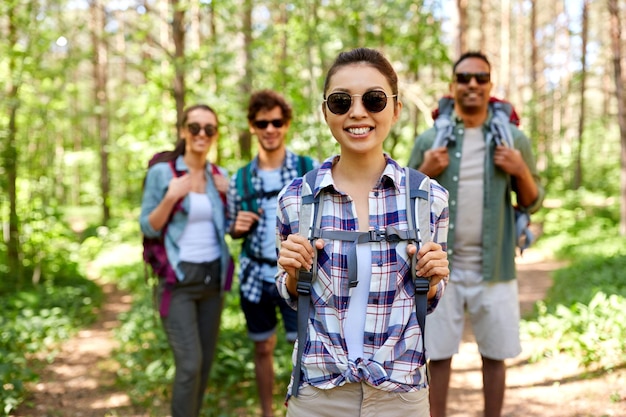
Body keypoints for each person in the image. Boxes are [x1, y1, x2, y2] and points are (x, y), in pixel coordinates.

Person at [275, 47, 450, 417]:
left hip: (400, 395)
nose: (357, 112)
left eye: (374, 99)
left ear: (396, 109)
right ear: (325, 111)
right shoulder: (297, 198)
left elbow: (429, 299)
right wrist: (292, 275)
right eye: (341, 101)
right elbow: (292, 294)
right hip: (318, 395)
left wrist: (433, 279)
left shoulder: (428, 197)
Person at [407, 51, 545, 417]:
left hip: (495, 267)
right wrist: (425, 168)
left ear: (489, 86)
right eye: (464, 78)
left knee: (494, 354)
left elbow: (531, 203)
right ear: (453, 87)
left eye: (480, 78)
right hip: (437, 268)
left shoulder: (512, 139)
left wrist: (520, 170)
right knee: (437, 356)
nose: (472, 84)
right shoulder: (430, 141)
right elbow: (400, 203)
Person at [227, 89, 317, 417]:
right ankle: (267, 411)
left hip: (298, 274)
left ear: (286, 124)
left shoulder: (309, 170)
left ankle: (302, 408)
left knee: (305, 346)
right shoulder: (240, 179)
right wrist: (236, 227)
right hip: (255, 275)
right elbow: (231, 225)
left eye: (276, 122)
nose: (270, 129)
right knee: (262, 347)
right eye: (262, 122)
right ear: (252, 126)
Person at [139, 104, 231, 417]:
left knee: (204, 365)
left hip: (213, 279)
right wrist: (170, 197)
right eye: (195, 127)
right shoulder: (162, 174)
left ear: (215, 134)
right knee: (189, 364)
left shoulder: (219, 175)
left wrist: (228, 195)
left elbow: (229, 228)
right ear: (183, 131)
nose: (202, 134)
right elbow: (147, 225)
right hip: (177, 281)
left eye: (209, 129)